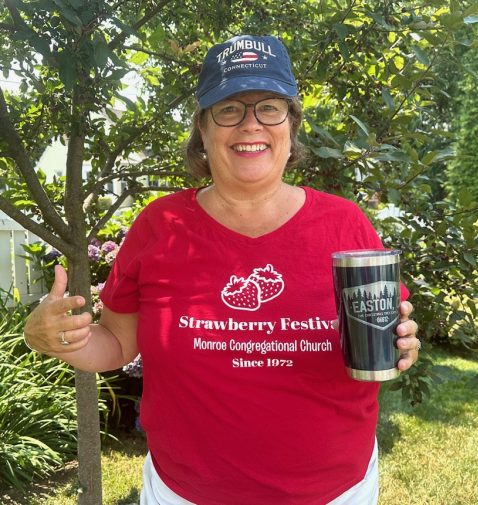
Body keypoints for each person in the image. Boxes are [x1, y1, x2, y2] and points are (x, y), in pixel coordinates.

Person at [23, 35, 420, 505]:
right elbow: (115, 343)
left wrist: (401, 342)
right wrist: (53, 336)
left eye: (269, 107)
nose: (250, 124)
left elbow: (384, 328)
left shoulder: (345, 224)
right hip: (185, 492)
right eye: (228, 109)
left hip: (336, 492)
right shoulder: (160, 225)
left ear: (290, 126)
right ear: (203, 130)